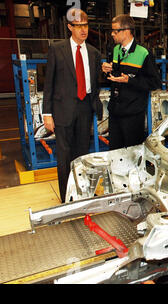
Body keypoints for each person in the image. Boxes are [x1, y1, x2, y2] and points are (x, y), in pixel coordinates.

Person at [43, 8, 102, 203]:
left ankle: (83, 193)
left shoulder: (94, 53)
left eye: (85, 25)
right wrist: (47, 113)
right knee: (65, 156)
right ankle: (66, 196)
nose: (83, 30)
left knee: (82, 155)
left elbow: (95, 83)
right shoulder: (57, 50)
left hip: (85, 109)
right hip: (62, 111)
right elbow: (48, 83)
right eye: (78, 26)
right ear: (70, 27)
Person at [102, 14, 161, 150]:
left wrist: (130, 80)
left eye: (115, 31)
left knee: (132, 153)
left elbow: (154, 83)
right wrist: (106, 71)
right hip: (115, 111)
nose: (112, 34)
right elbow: (111, 78)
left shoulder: (143, 53)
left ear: (127, 31)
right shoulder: (115, 50)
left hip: (133, 114)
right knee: (115, 152)